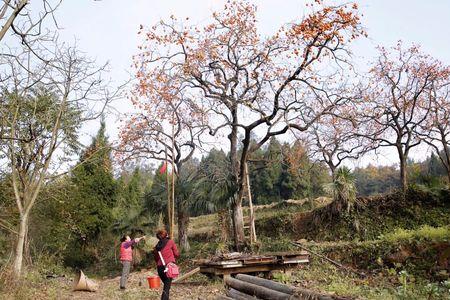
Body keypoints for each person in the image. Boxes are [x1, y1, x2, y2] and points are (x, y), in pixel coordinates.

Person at [153, 229, 179, 300]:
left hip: (160, 268)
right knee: (167, 287)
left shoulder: (157, 246)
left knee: (166, 286)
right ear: (166, 235)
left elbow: (156, 258)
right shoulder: (170, 242)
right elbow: (177, 254)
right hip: (169, 267)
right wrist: (173, 257)